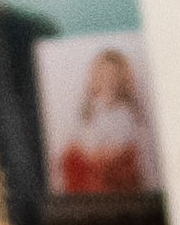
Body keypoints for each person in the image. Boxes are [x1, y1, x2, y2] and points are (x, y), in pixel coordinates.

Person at [59, 49, 153, 197]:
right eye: (102, 74)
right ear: (94, 77)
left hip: (114, 172)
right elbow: (80, 139)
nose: (107, 79)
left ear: (121, 79)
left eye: (112, 75)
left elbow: (127, 145)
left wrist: (105, 155)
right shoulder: (89, 109)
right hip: (89, 168)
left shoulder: (126, 112)